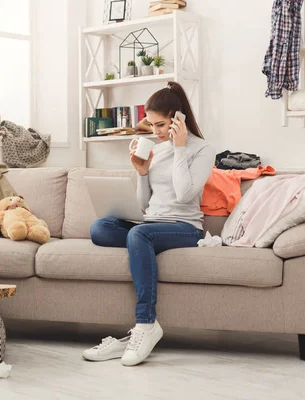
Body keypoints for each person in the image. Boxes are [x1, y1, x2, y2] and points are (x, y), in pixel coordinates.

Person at [82, 82, 216, 366]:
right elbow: (144, 205)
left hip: (184, 228)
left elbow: (184, 195)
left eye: (161, 124)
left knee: (140, 235)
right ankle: (130, 335)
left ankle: (146, 324)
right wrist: (142, 173)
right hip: (151, 224)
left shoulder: (202, 149)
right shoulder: (157, 149)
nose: (155, 132)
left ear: (178, 119)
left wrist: (179, 149)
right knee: (100, 228)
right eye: (151, 125)